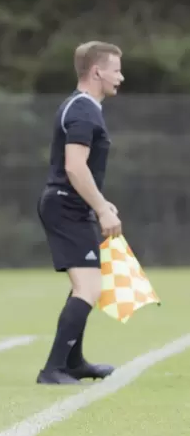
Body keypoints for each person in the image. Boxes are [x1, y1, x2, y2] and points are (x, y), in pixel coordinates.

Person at [36, 41, 124, 385]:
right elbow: (74, 167)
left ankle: (72, 363)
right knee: (88, 286)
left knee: (87, 284)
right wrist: (101, 208)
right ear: (97, 71)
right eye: (116, 69)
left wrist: (100, 202)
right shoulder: (84, 109)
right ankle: (53, 370)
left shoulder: (84, 108)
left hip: (71, 204)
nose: (121, 77)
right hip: (65, 205)